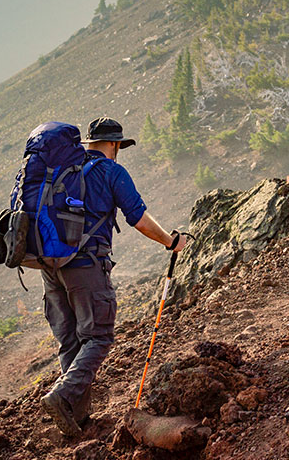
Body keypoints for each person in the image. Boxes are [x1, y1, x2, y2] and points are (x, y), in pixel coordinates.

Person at [39, 117, 186, 436]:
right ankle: (62, 396)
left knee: (70, 340)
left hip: (49, 266)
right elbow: (139, 219)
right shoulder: (111, 171)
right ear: (116, 144)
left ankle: (75, 419)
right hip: (86, 264)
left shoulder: (61, 170)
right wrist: (171, 241)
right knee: (99, 337)